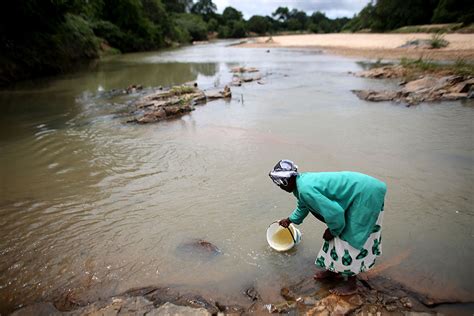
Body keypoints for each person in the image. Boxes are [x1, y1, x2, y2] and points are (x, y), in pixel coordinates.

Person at [269, 160, 386, 295]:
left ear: (286, 181)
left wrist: (332, 231)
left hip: (366, 194)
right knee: (337, 232)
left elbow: (336, 214)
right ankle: (334, 271)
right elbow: (303, 205)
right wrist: (290, 220)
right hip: (360, 191)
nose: (280, 188)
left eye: (280, 184)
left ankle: (351, 284)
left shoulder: (305, 189)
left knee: (348, 237)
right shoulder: (301, 183)